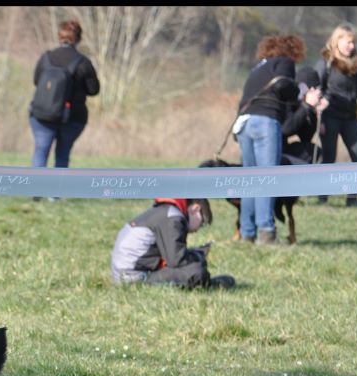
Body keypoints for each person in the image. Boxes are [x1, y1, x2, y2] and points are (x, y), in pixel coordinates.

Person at [234, 34, 304, 245]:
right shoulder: (285, 62)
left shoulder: (257, 68)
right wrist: (297, 93)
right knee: (267, 179)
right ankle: (266, 232)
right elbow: (283, 85)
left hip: (244, 123)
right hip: (265, 121)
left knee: (249, 180)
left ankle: (247, 232)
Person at [111, 198, 234, 290]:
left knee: (193, 267)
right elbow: (176, 260)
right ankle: (210, 285)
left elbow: (170, 255)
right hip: (134, 278)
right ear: (196, 209)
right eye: (201, 223)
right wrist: (198, 256)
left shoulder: (165, 211)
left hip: (127, 274)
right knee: (196, 272)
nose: (197, 230)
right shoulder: (173, 217)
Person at [28, 20, 100, 171]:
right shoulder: (83, 63)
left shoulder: (46, 58)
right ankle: (55, 193)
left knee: (41, 150)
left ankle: (36, 188)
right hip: (73, 117)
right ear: (79, 38)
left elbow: (36, 81)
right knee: (62, 153)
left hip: (42, 115)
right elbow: (93, 90)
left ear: (59, 37)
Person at [315, 23, 357, 207]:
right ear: (337, 41)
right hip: (330, 117)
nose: (351, 46)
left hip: (350, 117)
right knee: (329, 157)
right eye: (348, 42)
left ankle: (352, 198)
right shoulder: (326, 62)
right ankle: (323, 198)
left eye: (353, 43)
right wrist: (317, 113)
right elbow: (317, 87)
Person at [281, 66, 328, 166]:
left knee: (313, 151)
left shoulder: (303, 105)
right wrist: (306, 106)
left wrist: (313, 111)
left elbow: (305, 136)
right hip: (274, 150)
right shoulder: (288, 100)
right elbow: (287, 129)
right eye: (313, 88)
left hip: (285, 148)